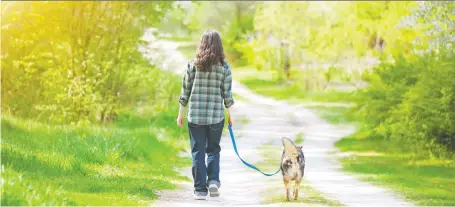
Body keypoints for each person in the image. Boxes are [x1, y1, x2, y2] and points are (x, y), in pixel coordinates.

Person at [176, 29, 234, 200]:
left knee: (198, 152)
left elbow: (185, 91)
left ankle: (200, 190)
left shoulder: (193, 64)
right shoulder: (224, 67)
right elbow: (227, 94)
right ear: (219, 46)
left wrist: (180, 113)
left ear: (201, 44)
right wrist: (231, 114)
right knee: (213, 150)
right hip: (216, 117)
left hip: (195, 117)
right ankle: (214, 181)